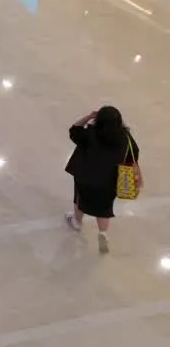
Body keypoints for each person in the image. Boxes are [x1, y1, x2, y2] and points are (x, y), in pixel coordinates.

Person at [65, 106, 141, 254]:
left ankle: (76, 222)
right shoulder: (126, 138)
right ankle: (103, 233)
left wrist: (88, 116)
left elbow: (74, 130)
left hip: (85, 178)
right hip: (109, 182)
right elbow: (133, 156)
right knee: (104, 209)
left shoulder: (90, 134)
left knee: (80, 200)